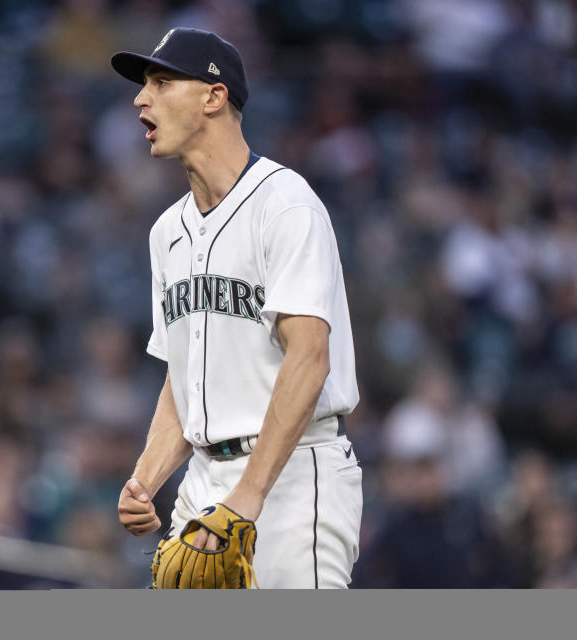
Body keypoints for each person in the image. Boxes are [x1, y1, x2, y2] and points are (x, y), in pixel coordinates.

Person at [111, 27, 363, 588]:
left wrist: (246, 498)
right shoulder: (165, 233)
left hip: (295, 473)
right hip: (204, 480)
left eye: (161, 81)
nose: (140, 98)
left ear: (213, 97)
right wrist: (146, 481)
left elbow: (310, 358)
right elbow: (187, 377)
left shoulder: (285, 204)